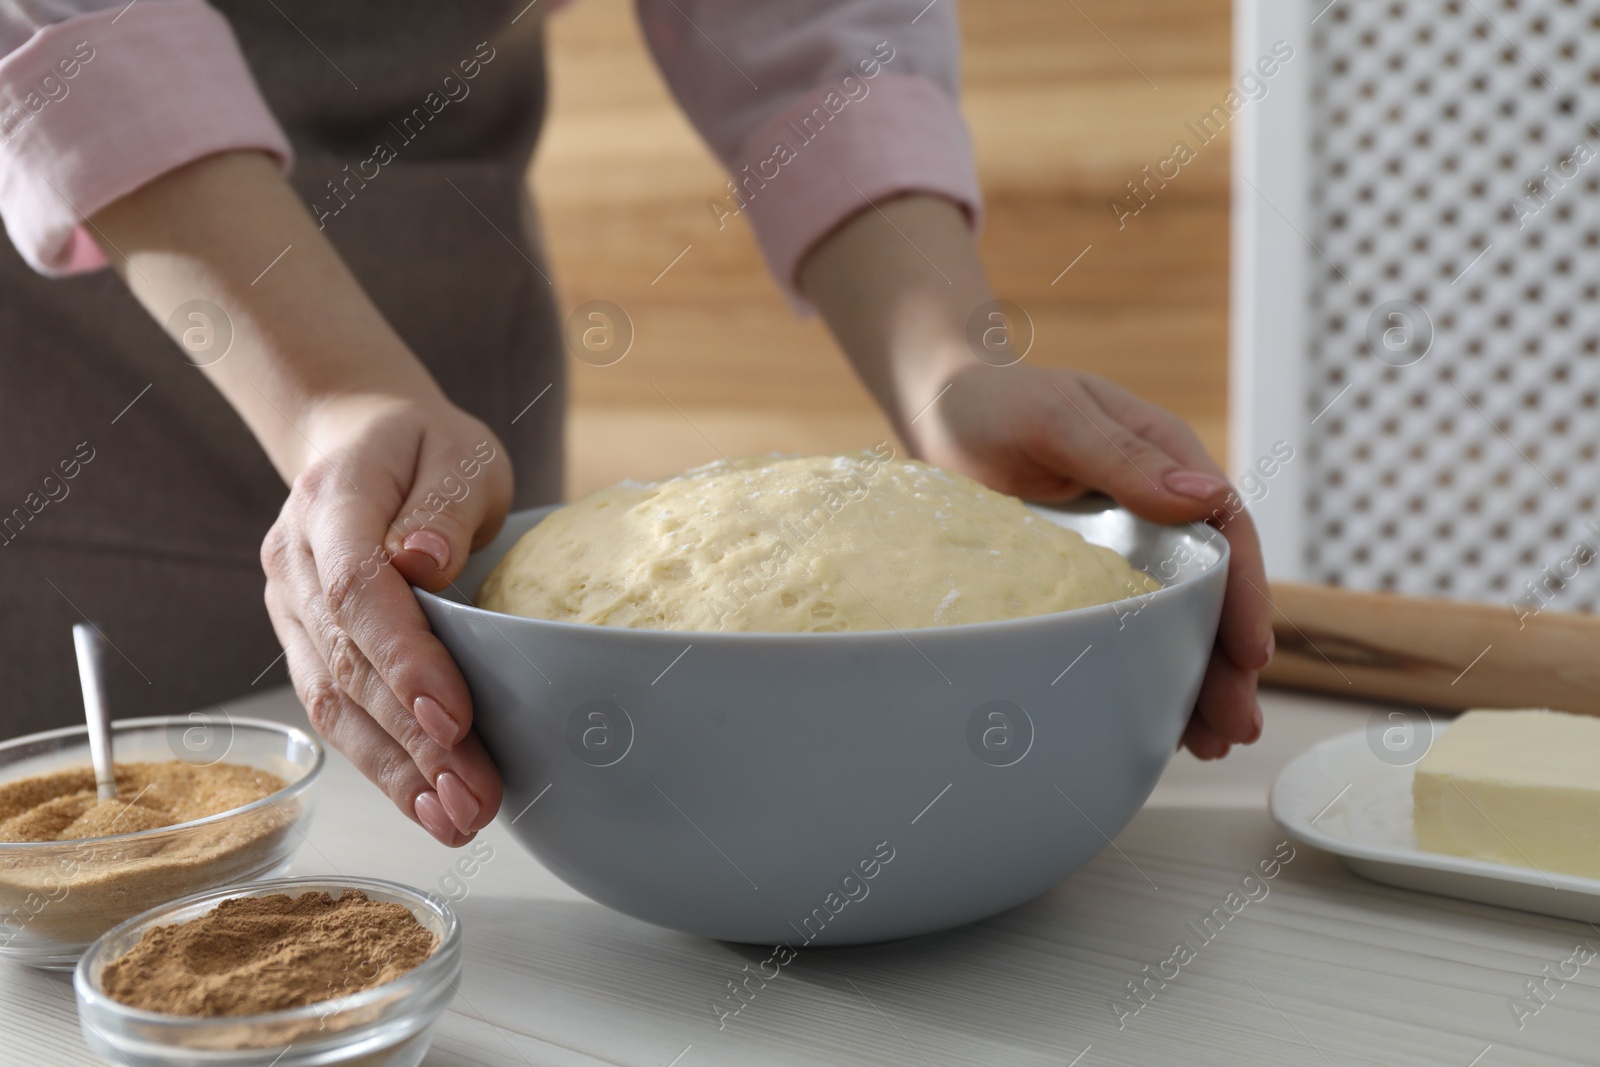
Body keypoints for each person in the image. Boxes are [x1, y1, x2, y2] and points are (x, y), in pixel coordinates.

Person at [0, 0, 1271, 845]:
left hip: (450, 371)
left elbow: (810, 21)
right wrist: (328, 391)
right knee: (103, 893)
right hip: (86, 382)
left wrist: (943, 364)